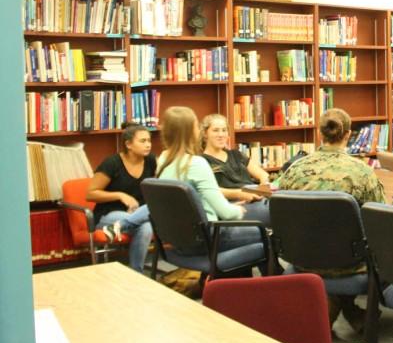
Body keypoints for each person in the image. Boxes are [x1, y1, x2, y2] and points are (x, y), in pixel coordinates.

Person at [278, 108, 385, 333]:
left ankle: (342, 309)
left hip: (301, 257)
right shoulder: (362, 172)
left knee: (332, 242)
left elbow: (281, 210)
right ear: (347, 135)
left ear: (320, 134)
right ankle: (349, 310)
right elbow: (380, 216)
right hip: (349, 263)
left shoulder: (295, 169)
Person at [156, 106, 262, 251]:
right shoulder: (197, 163)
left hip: (179, 240)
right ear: (193, 132)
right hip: (209, 237)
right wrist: (237, 210)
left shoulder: (163, 159)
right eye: (196, 126)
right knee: (269, 232)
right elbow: (227, 214)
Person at [87, 122, 157, 272]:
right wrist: (119, 195)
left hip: (139, 213)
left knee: (146, 225)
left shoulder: (151, 161)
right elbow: (91, 193)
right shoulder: (112, 163)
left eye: (149, 140)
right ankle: (136, 272)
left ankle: (134, 273)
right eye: (143, 141)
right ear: (129, 144)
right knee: (145, 225)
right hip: (109, 214)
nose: (148, 145)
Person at [200, 113, 271, 225]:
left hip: (255, 198)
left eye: (224, 130)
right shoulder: (201, 161)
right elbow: (210, 191)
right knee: (279, 213)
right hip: (233, 205)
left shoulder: (236, 154)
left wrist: (263, 187)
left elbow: (263, 174)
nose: (221, 135)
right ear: (205, 134)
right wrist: (240, 193)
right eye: (216, 130)